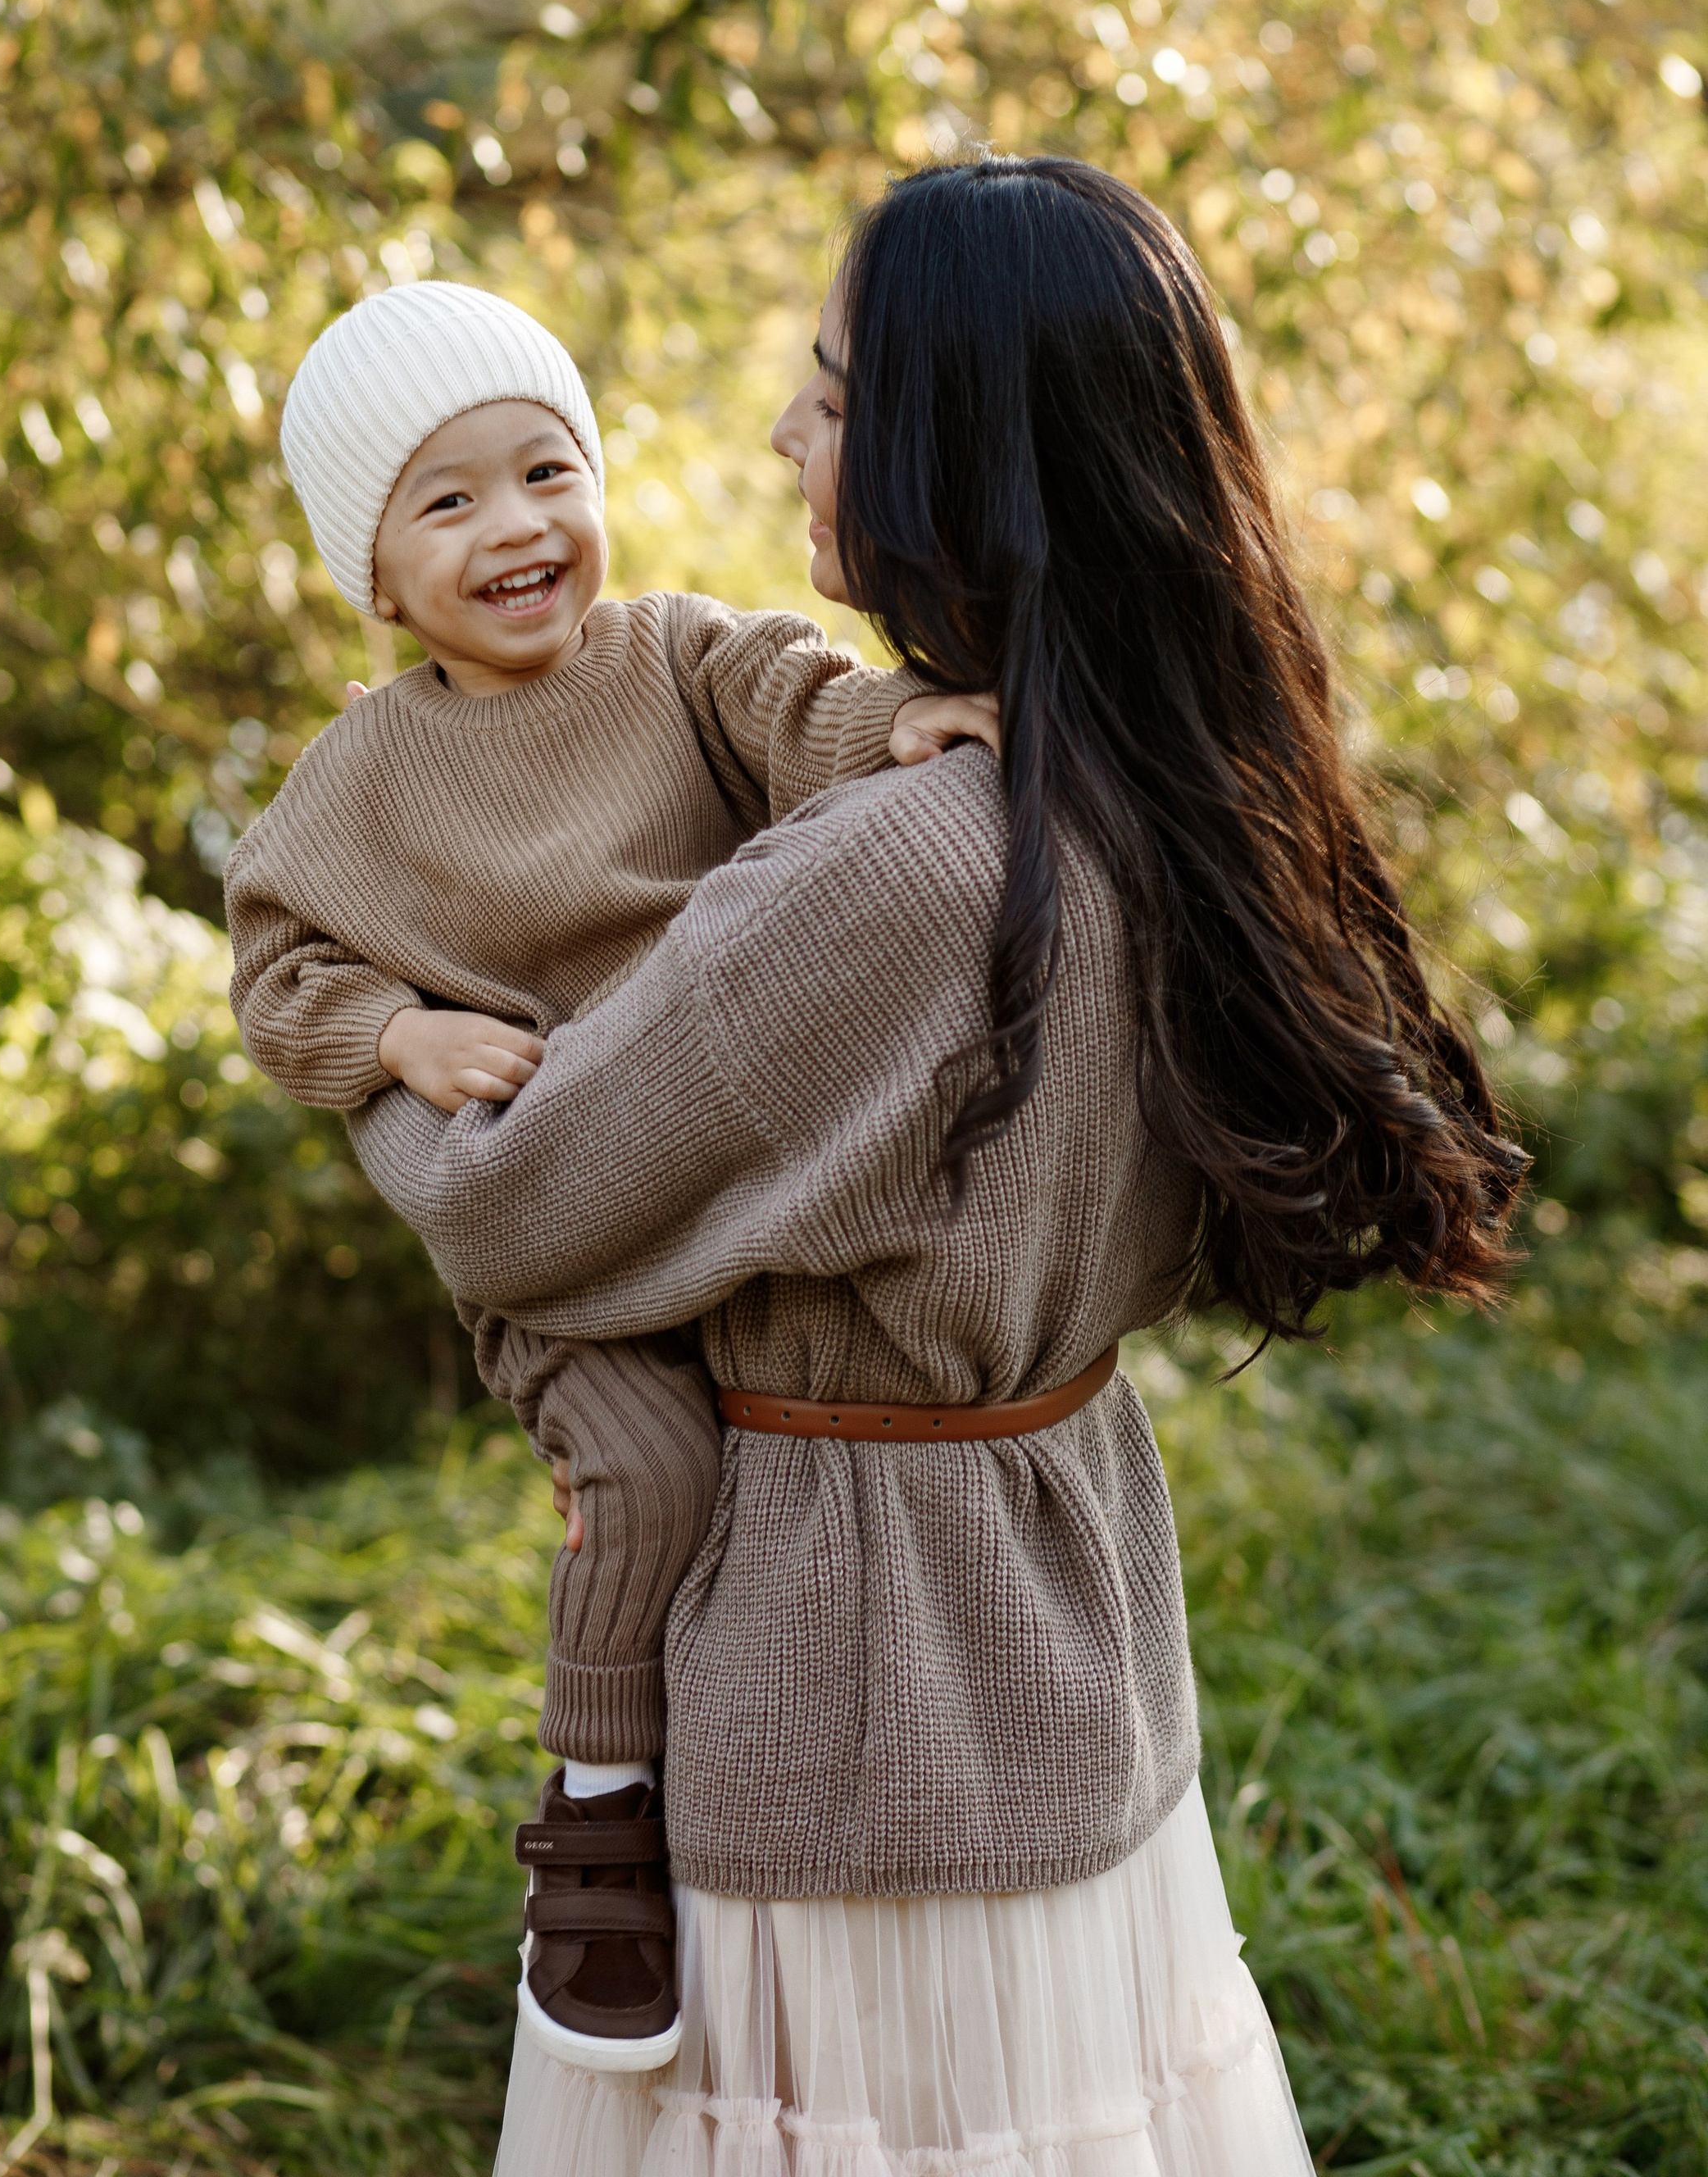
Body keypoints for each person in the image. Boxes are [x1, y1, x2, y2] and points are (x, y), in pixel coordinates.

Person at [350, 155, 1527, 2176]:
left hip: (853, 1697)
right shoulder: (1155, 776)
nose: (782, 432)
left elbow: (507, 1202)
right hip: (1065, 1625)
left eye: (826, 387)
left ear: (935, 449)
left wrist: (371, 1053)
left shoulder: (899, 870)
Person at [225, 276, 993, 2070]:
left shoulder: (672, 660)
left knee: (810, 1443)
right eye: (449, 501)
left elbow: (797, 703)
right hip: (564, 1231)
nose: (517, 528)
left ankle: (825, 1784)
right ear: (377, 575)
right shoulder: (361, 780)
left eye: (544, 471)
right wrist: (394, 1041)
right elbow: (277, 970)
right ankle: (595, 1812)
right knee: (646, 1464)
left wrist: (899, 729)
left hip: (731, 1169)